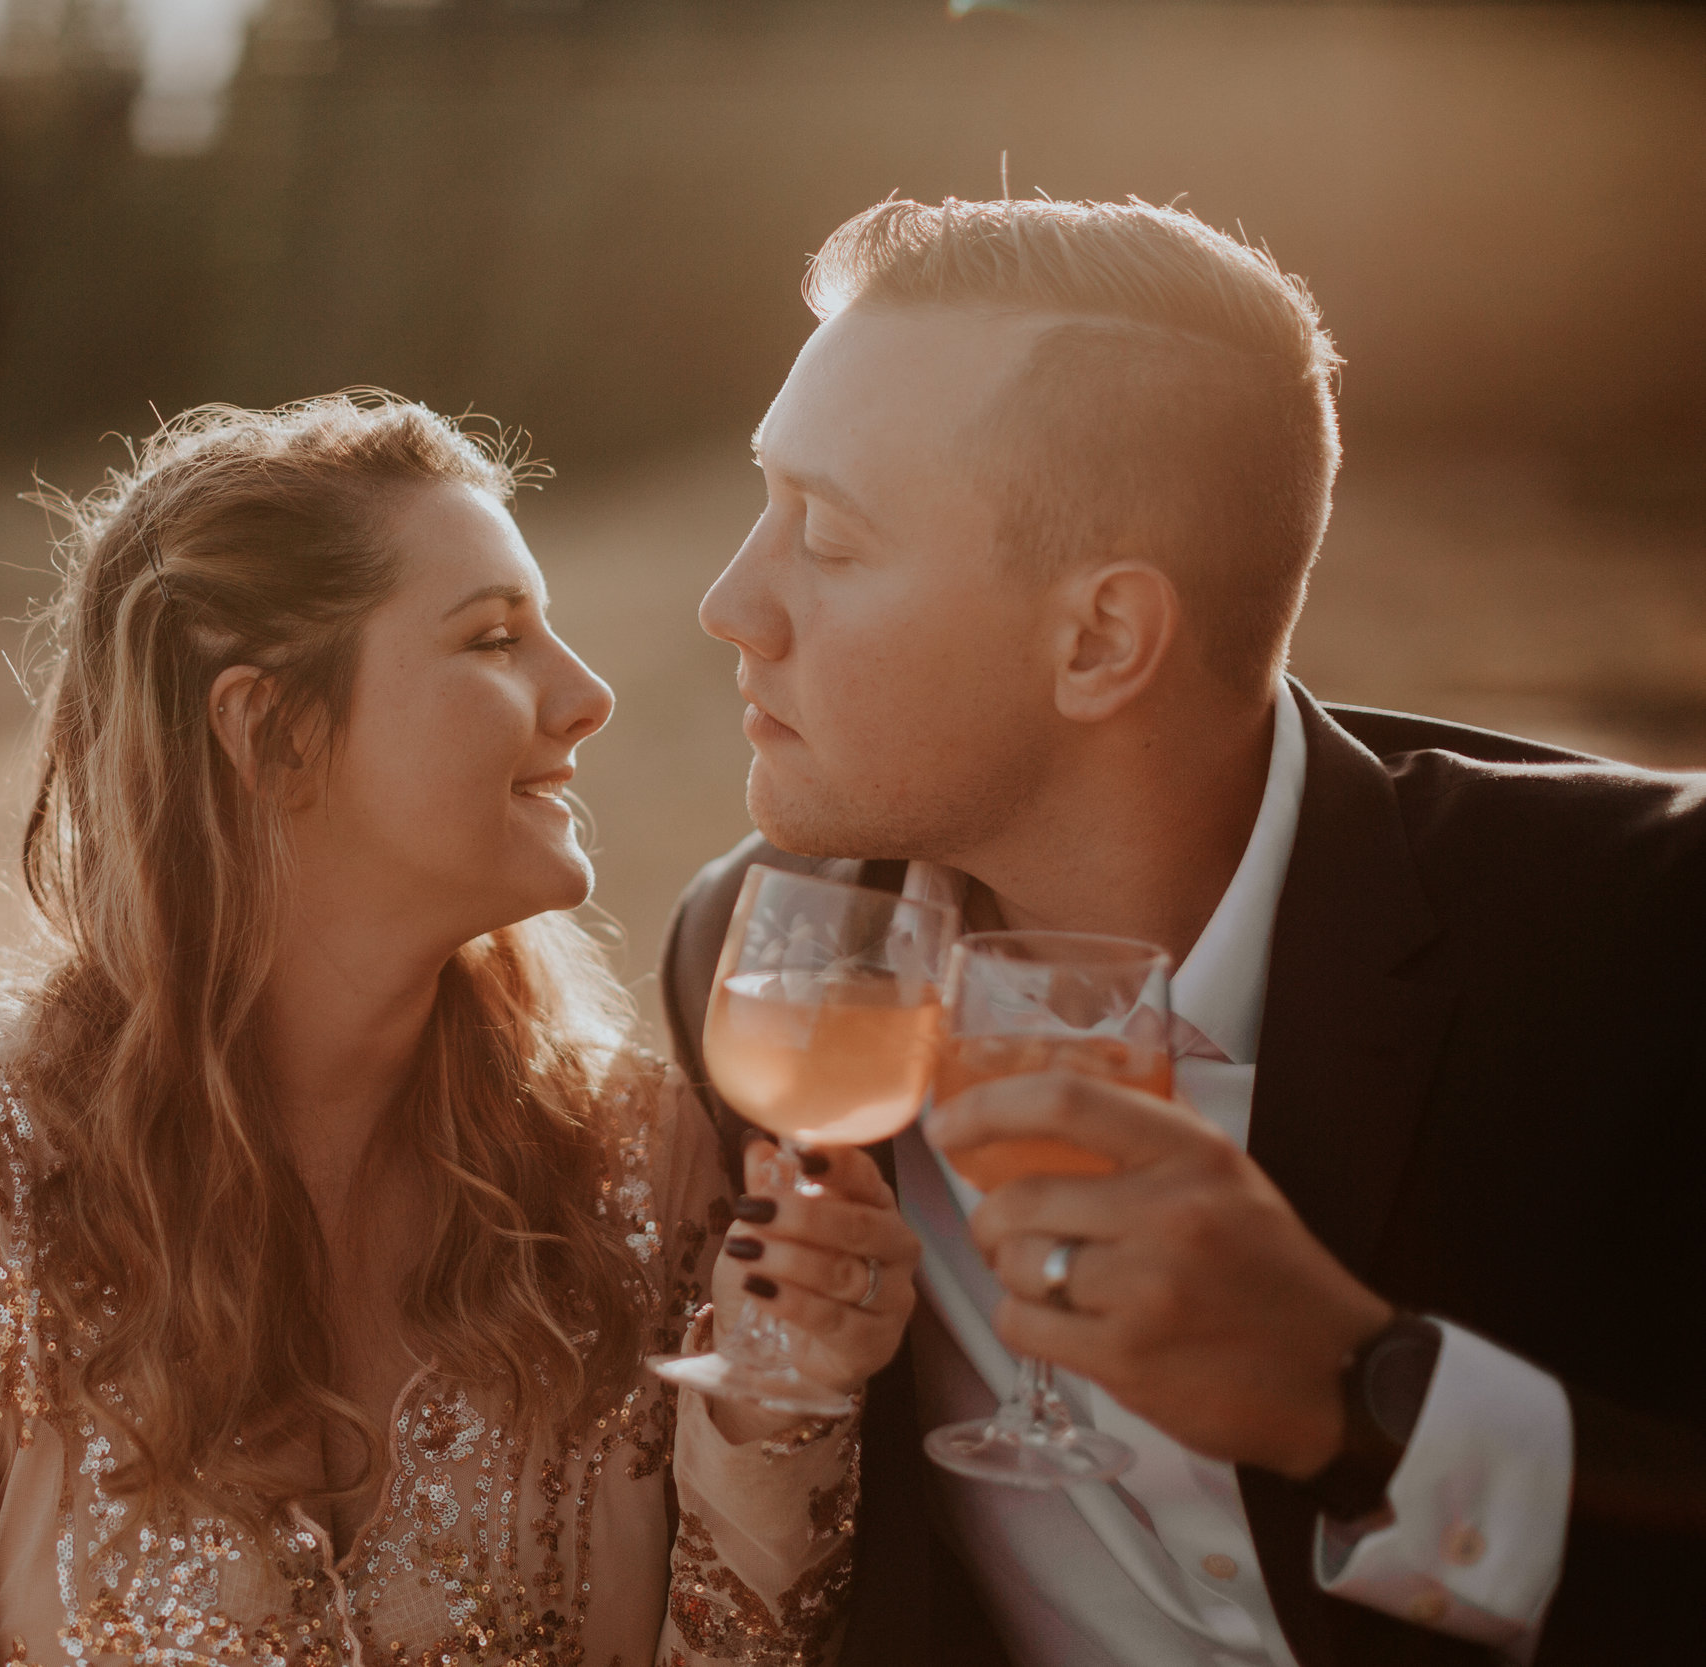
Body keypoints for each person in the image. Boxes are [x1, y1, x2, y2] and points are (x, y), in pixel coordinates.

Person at [662, 198, 1706, 1666]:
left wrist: (1352, 1393)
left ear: (1101, 638)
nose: (730, 605)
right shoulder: (760, 950)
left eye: (824, 535)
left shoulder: (1641, 937)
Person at [0, 395, 920, 1666]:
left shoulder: (641, 1160)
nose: (585, 694)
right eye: (491, 638)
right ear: (270, 730)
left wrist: (777, 1405)